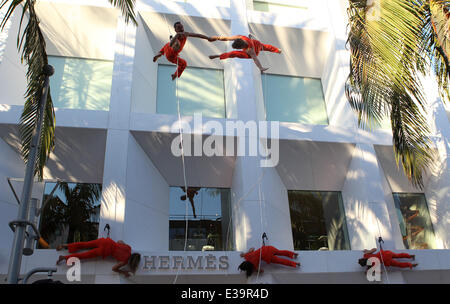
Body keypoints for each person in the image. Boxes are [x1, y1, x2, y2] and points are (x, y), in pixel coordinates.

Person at [56, 238, 141, 277]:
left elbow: (119, 241)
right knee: (84, 255)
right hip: (104, 250)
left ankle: (65, 245)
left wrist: (118, 246)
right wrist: (123, 272)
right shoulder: (124, 261)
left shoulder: (128, 248)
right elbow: (114, 268)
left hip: (105, 241)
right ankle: (64, 258)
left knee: (85, 244)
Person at [209, 34, 282, 72]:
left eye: (239, 48)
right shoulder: (241, 37)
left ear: (242, 46)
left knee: (234, 53)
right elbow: (227, 38)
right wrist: (217, 38)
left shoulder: (249, 50)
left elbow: (255, 59)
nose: (240, 49)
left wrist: (261, 68)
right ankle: (278, 50)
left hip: (254, 51)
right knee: (265, 46)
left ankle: (218, 56)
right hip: (256, 43)